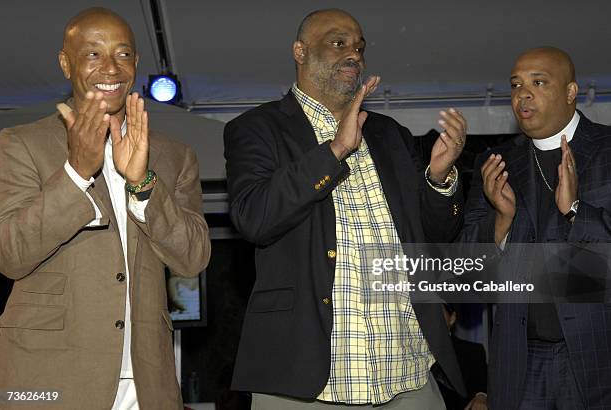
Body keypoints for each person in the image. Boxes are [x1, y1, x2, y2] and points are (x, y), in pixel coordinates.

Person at [225, 8, 468, 409]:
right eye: (338, 43)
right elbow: (255, 218)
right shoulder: (257, 129)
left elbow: (435, 240)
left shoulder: (390, 135)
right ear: (300, 52)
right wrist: (336, 151)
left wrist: (439, 181)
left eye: (359, 46)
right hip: (306, 379)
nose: (354, 54)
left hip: (405, 372)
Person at [0, 8, 210, 410]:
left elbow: (193, 258)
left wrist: (143, 184)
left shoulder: (174, 155)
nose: (111, 67)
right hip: (49, 380)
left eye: (123, 54)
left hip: (148, 381)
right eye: (93, 54)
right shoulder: (20, 143)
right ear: (66, 62)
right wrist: (76, 172)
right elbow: (10, 255)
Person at [459, 46, 611, 409]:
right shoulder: (495, 162)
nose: (522, 93)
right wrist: (501, 222)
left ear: (571, 92)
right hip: (519, 362)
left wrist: (576, 210)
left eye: (538, 82)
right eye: (515, 85)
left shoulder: (608, 149)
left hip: (597, 359)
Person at [433, 304, 487, 410]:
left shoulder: (473, 352)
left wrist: (481, 397)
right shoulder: (408, 352)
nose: (431, 319)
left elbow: (481, 388)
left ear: (452, 318)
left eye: (437, 313)